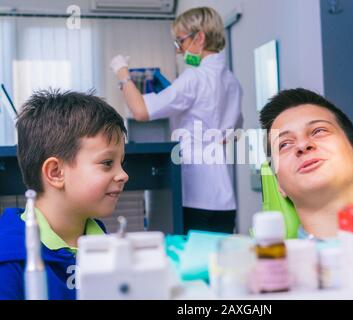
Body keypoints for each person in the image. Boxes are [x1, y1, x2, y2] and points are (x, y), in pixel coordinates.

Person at [110, 7, 243, 234]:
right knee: (216, 262)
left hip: (194, 195)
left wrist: (122, 73)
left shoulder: (194, 78)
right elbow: (236, 131)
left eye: (180, 42)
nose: (180, 51)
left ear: (199, 37)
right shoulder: (232, 82)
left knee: (190, 264)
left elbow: (141, 111)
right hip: (224, 197)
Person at [0, 89, 129, 299]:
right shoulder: (8, 262)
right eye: (107, 163)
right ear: (56, 172)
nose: (123, 175)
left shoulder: (101, 240)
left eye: (121, 163)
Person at [259, 88, 353, 240]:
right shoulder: (268, 263)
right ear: (279, 186)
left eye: (318, 131)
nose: (303, 145)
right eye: (284, 144)